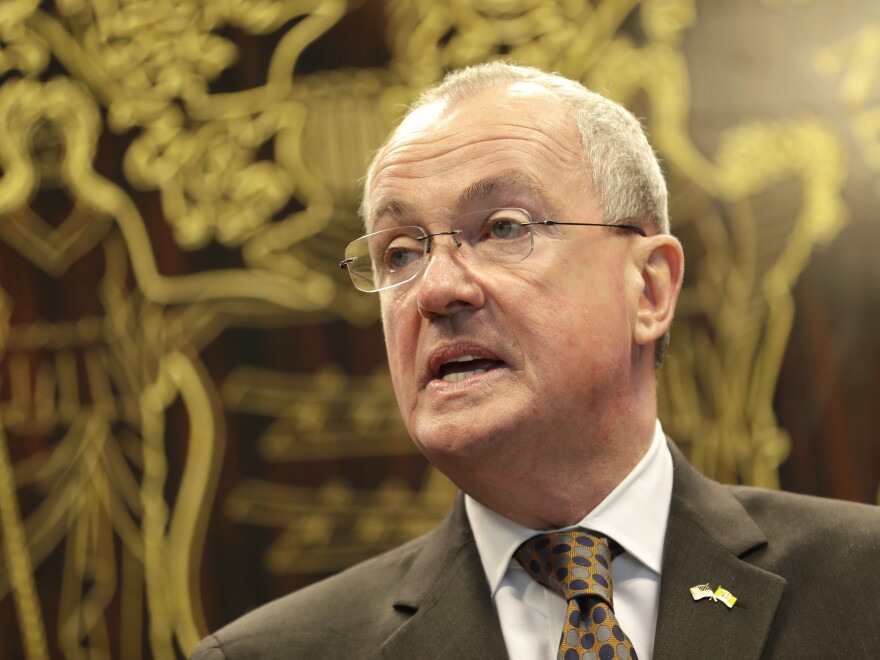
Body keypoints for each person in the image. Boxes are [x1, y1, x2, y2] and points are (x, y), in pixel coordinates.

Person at [192, 62, 880, 660]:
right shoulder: (269, 654)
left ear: (649, 289)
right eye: (399, 252)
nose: (435, 289)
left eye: (503, 228)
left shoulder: (863, 585)